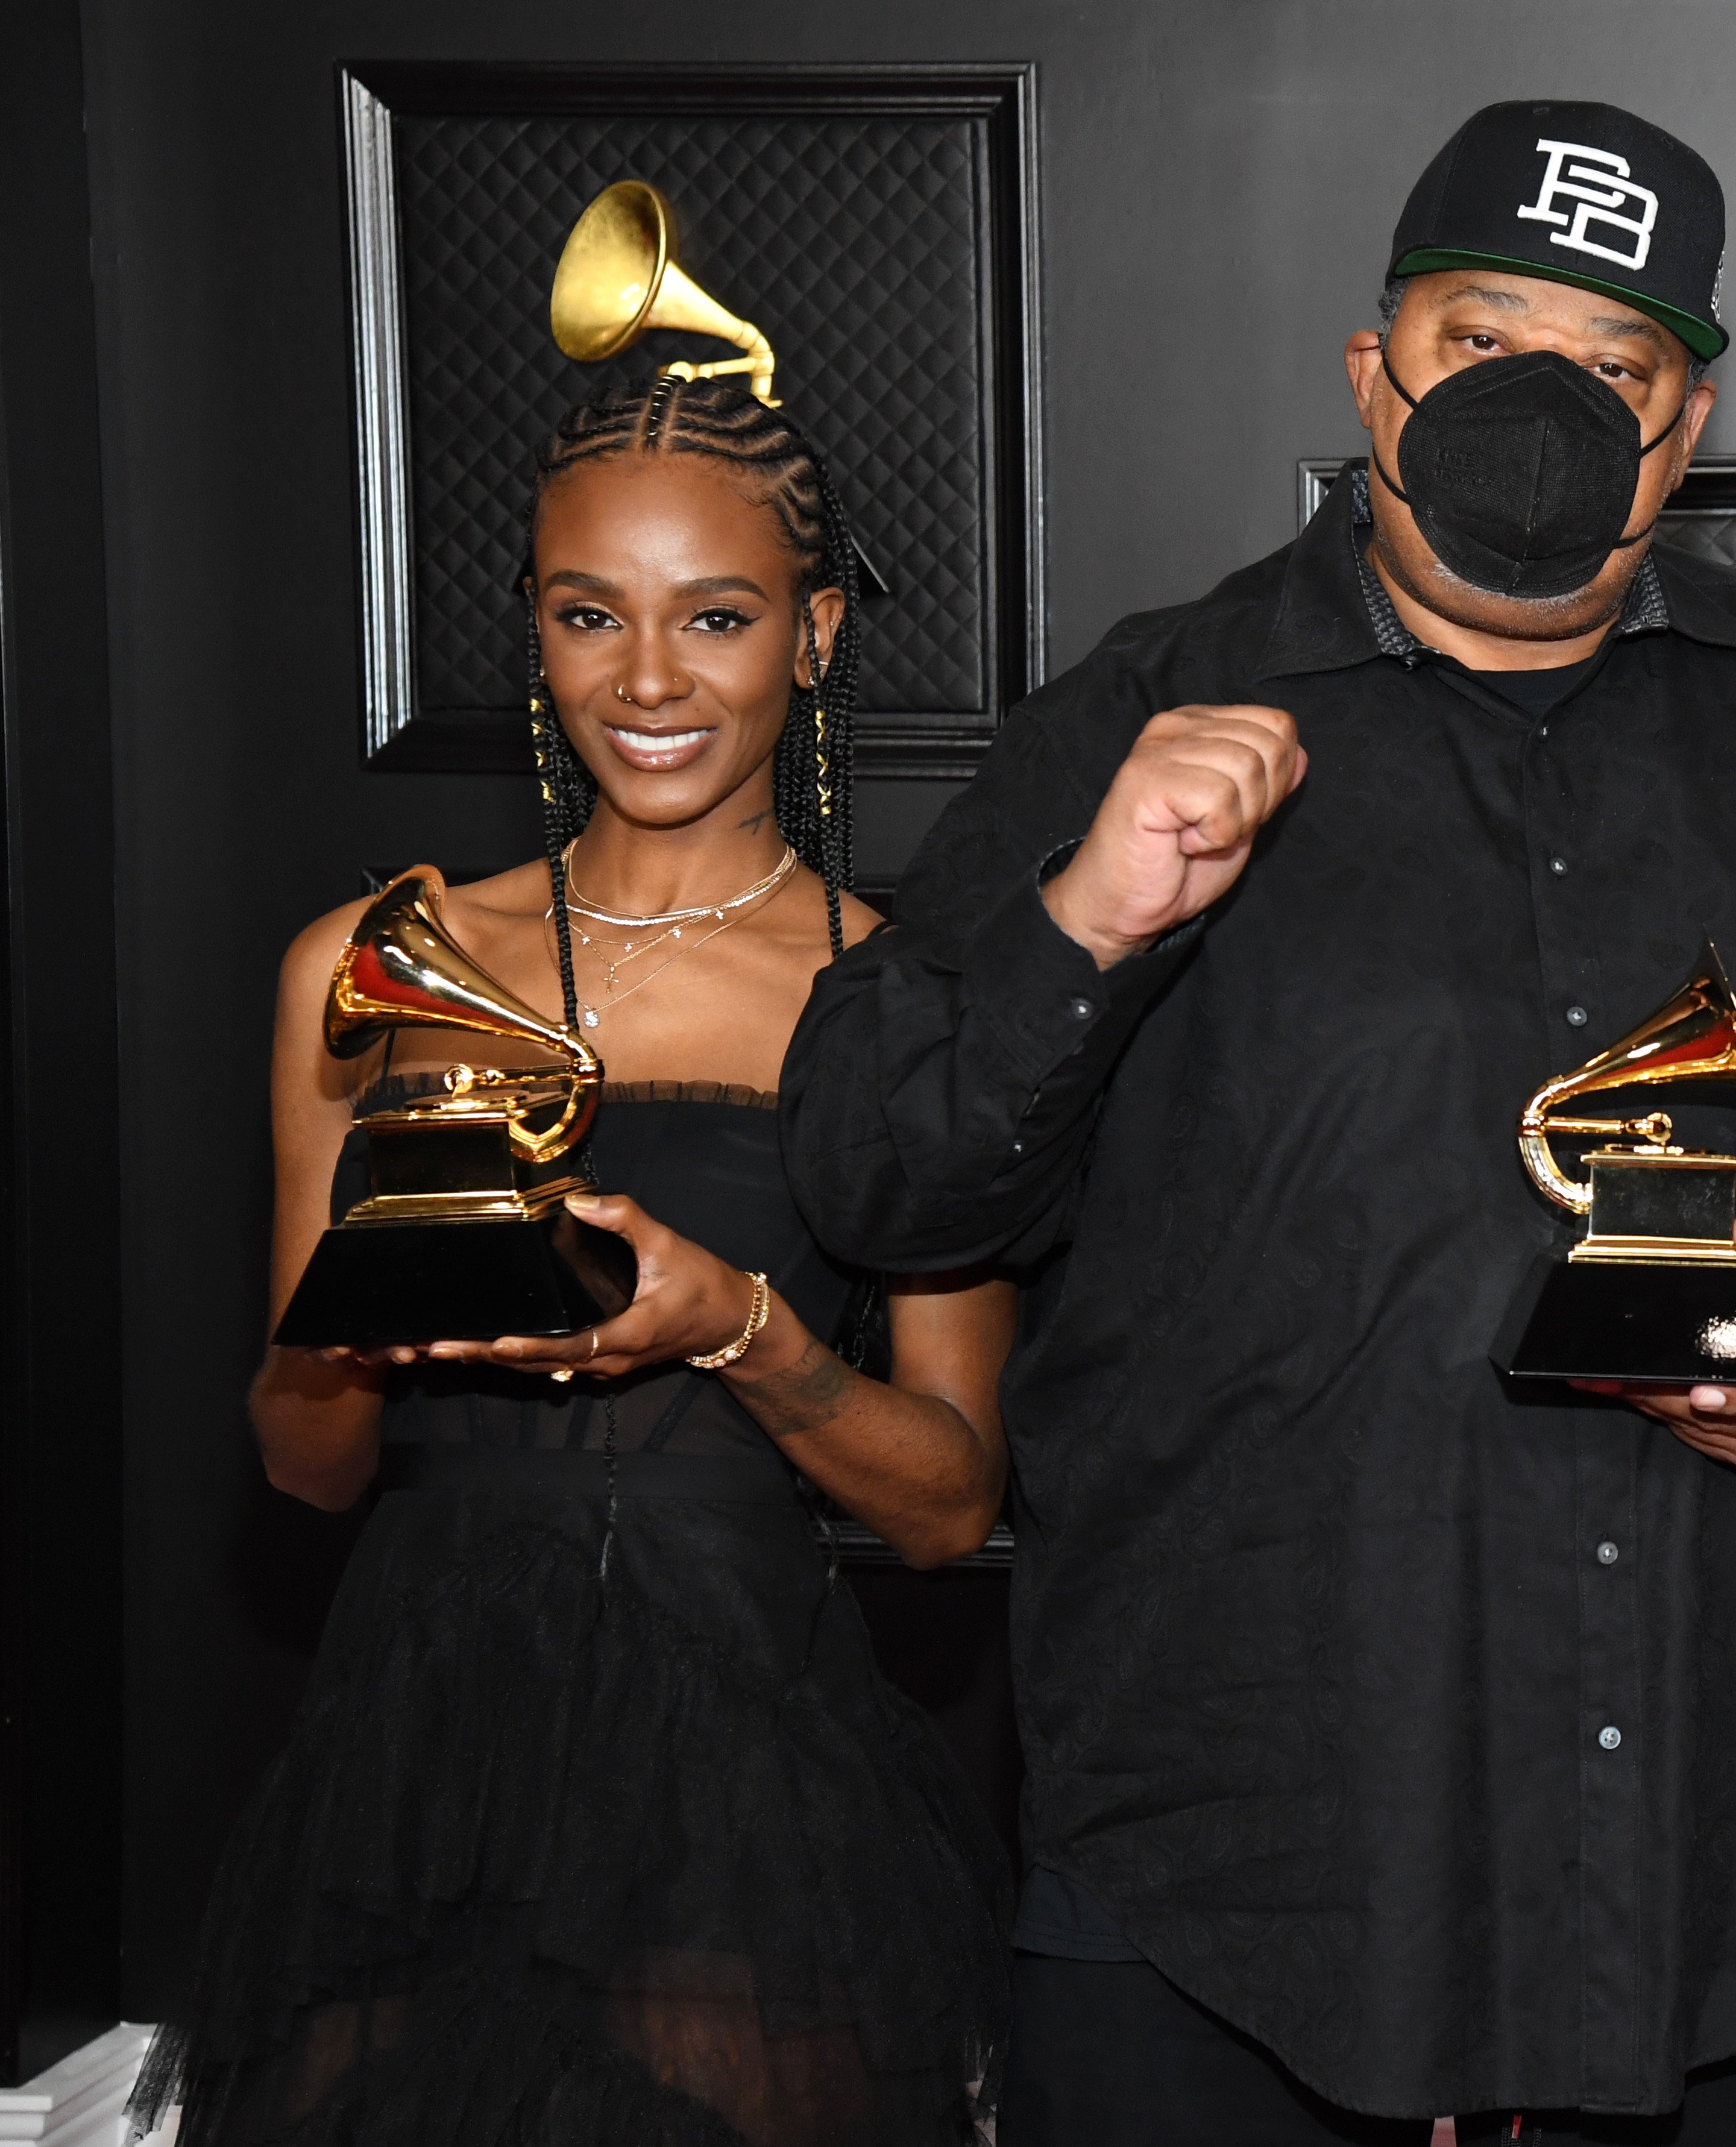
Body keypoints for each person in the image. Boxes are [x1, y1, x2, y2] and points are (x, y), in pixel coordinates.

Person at [779, 99, 1736, 2147]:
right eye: (1482, 343)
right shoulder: (1142, 708)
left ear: (1691, 417)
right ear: (1372, 371)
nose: (1544, 406)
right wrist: (1087, 915)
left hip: (1729, 1858)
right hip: (1239, 1877)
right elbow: (879, 1174)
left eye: (1614, 366)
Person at [134, 379, 1016, 2147]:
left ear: (816, 632)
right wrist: (372, 1317)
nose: (649, 678)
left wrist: (739, 1333)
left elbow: (946, 1503)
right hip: (407, 1779)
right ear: (534, 631)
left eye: (718, 615)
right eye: (588, 614)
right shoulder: (373, 964)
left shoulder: (910, 1004)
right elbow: (303, 1469)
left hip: (749, 1797)